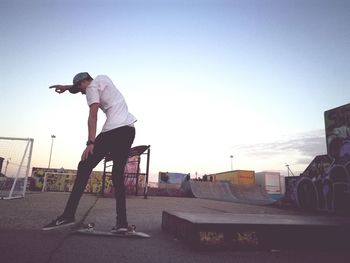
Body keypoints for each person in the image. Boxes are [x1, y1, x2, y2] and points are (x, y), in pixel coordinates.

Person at [42, 72, 136, 233]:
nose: (83, 94)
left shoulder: (91, 88)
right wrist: (67, 87)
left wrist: (91, 142)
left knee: (84, 166)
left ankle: (68, 215)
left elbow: (93, 115)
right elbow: (82, 85)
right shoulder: (103, 78)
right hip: (129, 130)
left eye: (81, 90)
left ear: (83, 82)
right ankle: (122, 223)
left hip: (113, 130)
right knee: (117, 175)